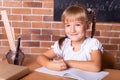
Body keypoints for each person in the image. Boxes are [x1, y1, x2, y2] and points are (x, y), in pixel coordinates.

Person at [37, 4, 103, 72]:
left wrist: (68, 62)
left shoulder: (92, 44)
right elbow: (41, 57)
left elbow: (96, 67)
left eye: (77, 25)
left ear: (87, 26)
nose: (72, 30)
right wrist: (49, 64)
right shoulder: (63, 44)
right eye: (68, 25)